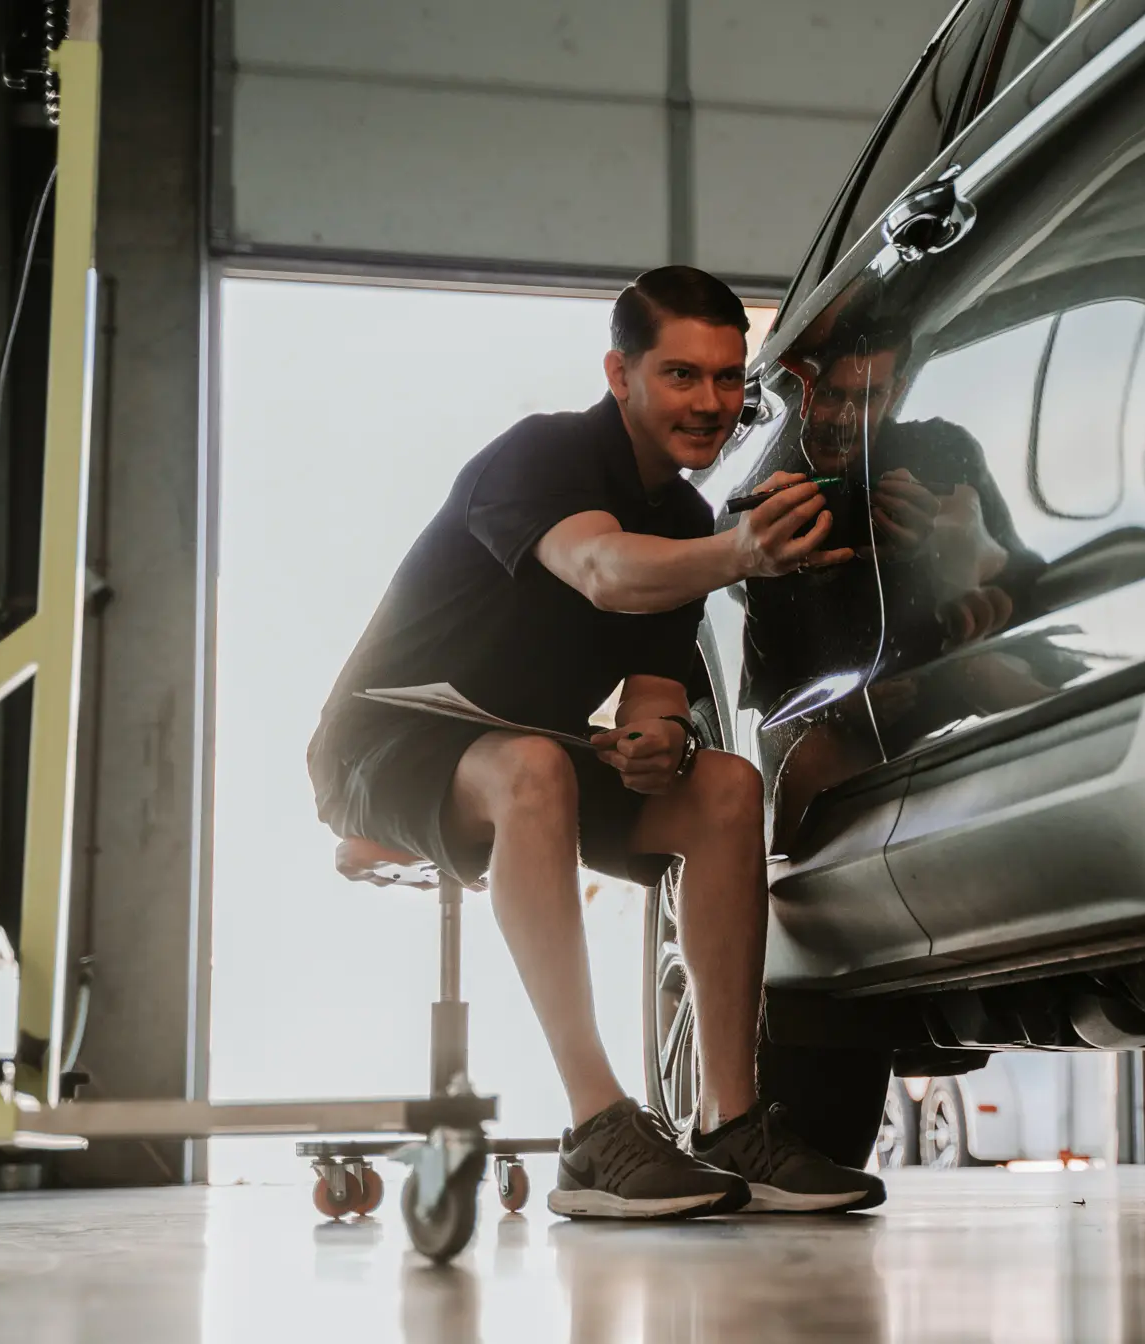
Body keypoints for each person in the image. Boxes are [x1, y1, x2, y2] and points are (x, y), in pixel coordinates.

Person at [306, 266, 883, 1219]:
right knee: (533, 769)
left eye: (727, 377)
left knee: (726, 787)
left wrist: (659, 740)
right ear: (620, 375)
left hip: (535, 750)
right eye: (681, 375)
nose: (710, 403)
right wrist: (743, 553)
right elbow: (604, 570)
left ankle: (731, 1120)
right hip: (391, 738)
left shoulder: (686, 519)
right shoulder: (543, 455)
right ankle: (594, 1128)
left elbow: (654, 692)